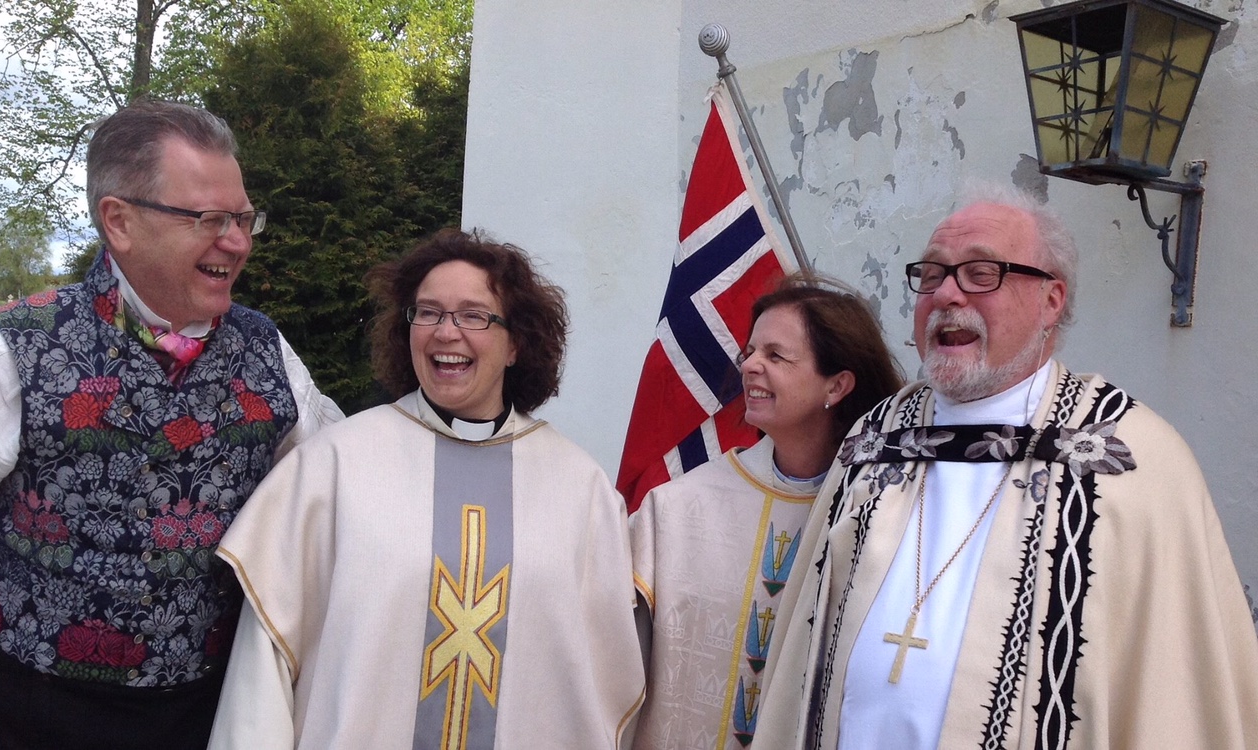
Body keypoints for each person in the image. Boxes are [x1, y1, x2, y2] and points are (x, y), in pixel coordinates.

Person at [753, 183, 1258, 749]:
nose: (947, 293)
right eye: (934, 274)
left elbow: (1175, 694)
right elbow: (806, 643)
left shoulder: (1128, 457)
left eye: (981, 273)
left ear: (1051, 300)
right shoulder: (877, 439)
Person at [0, 99, 343, 749]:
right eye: (209, 218)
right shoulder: (9, 347)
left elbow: (346, 491)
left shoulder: (268, 352)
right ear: (118, 221)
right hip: (27, 718)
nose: (236, 240)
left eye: (242, 217)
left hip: (204, 719)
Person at [207, 228, 645, 749]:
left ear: (516, 344)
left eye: (474, 315)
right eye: (429, 312)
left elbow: (601, 682)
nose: (445, 332)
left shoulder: (580, 491)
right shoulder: (335, 466)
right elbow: (263, 668)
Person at [629, 273, 903, 749]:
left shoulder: (883, 512)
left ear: (837, 385)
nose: (750, 365)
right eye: (750, 352)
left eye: (775, 356)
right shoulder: (679, 509)